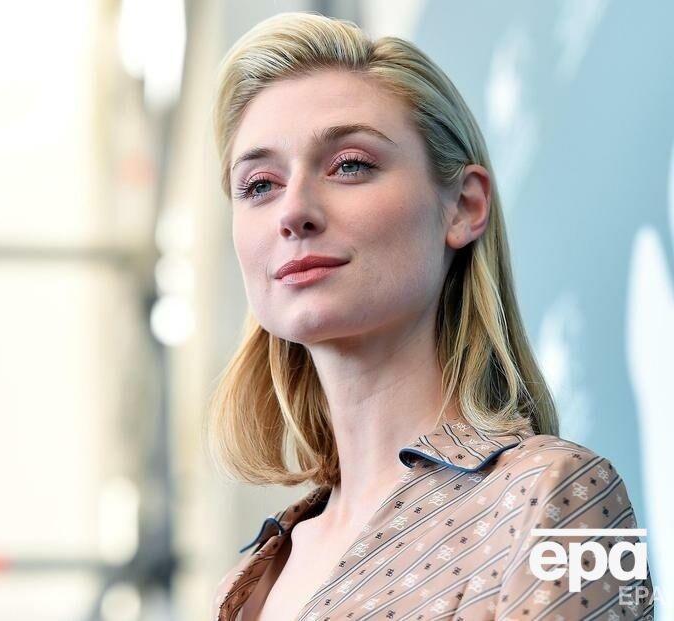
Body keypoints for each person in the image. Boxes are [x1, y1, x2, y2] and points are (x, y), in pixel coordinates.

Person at [204, 12, 654, 621]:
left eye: (350, 165)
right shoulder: (249, 580)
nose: (293, 211)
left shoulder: (561, 497)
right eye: (259, 184)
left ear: (463, 206)